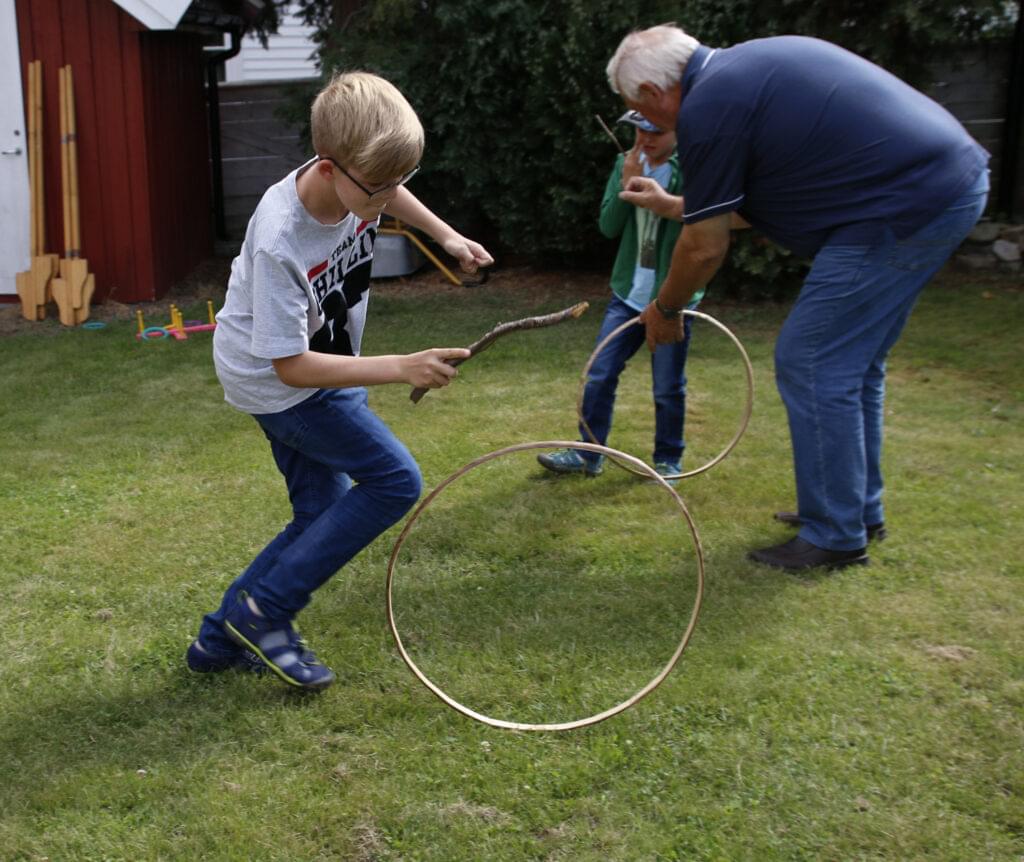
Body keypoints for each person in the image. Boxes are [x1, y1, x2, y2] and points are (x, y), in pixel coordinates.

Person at [606, 26, 989, 570]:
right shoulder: (746, 71)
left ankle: (835, 534)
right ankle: (854, 509)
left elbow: (703, 247)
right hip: (943, 184)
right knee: (854, 366)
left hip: (901, 205)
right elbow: (728, 211)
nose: (648, 121)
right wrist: (673, 205)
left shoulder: (709, 107)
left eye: (636, 106)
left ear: (650, 92)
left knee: (811, 359)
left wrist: (665, 310)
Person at [186, 72, 493, 688]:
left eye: (394, 184)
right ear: (328, 169)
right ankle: (267, 611)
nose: (387, 199)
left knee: (321, 507)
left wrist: (446, 234)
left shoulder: (357, 177)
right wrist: (401, 367)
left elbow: (390, 189)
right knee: (394, 479)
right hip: (282, 383)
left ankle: (218, 641)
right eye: (376, 189)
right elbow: (290, 366)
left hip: (321, 362)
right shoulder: (281, 239)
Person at [538, 110, 703, 483]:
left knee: (667, 385)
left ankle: (667, 460)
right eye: (638, 130)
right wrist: (626, 185)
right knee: (599, 374)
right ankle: (588, 455)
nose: (645, 138)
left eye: (656, 130)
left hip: (672, 297)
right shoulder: (624, 163)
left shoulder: (691, 166)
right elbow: (608, 227)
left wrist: (661, 200)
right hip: (628, 294)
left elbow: (702, 223)